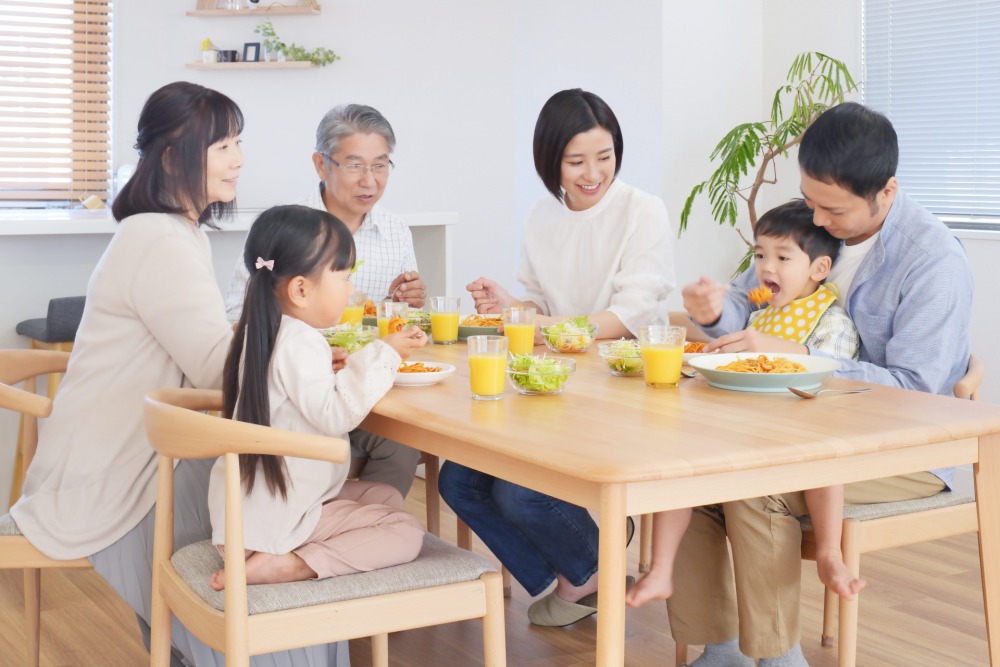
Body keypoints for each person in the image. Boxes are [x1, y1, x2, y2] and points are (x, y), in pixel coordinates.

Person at [9, 82, 348, 666]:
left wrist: (292, 349)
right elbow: (220, 371)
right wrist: (300, 350)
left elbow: (215, 351)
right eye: (223, 146)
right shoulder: (158, 239)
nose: (239, 160)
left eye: (239, 143)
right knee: (272, 501)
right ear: (172, 156)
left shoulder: (167, 232)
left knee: (265, 493)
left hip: (131, 450)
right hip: (119, 473)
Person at [670, 102, 974, 667]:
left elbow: (917, 390)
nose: (817, 217)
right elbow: (748, 302)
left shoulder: (932, 260)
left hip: (903, 446)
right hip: (800, 428)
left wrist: (801, 357)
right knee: (685, 477)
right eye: (810, 200)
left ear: (885, 192)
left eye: (831, 208)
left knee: (757, 486)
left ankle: (780, 657)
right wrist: (715, 312)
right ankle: (725, 649)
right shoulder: (812, 216)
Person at [439, 88, 675, 628]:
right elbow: (540, 307)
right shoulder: (543, 216)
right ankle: (575, 577)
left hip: (625, 388)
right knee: (460, 481)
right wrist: (511, 306)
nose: (592, 173)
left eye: (604, 157)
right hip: (555, 387)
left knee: (522, 491)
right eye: (576, 162)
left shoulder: (643, 211)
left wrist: (541, 325)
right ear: (551, 162)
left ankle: (590, 562)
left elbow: (626, 317)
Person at [625, 199, 864, 610]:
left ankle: (829, 553)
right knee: (683, 464)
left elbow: (833, 377)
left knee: (827, 463)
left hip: (803, 436)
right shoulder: (759, 317)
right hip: (745, 432)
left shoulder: (832, 323)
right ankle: (661, 569)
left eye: (782, 257)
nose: (766, 267)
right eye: (759, 255)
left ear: (819, 269)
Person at [208, 205, 426, 591]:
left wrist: (327, 363)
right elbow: (335, 413)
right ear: (301, 289)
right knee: (406, 529)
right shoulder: (300, 340)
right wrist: (386, 352)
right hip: (274, 526)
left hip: (245, 517)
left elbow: (291, 387)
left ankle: (303, 554)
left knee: (384, 494)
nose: (351, 289)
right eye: (344, 277)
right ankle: (290, 565)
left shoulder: (261, 331)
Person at [223, 103, 423, 500]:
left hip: (367, 384)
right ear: (321, 164)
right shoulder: (287, 229)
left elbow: (394, 318)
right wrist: (315, 347)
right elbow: (236, 318)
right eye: (355, 165)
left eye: (380, 165)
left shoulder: (396, 231)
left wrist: (403, 302)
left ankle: (366, 525)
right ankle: (337, 527)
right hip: (298, 393)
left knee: (403, 442)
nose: (370, 180)